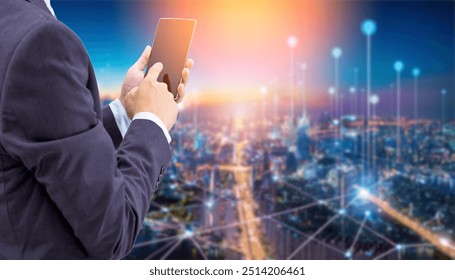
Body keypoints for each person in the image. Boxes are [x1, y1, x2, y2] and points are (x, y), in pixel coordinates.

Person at [0, 0, 193, 259]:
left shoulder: (8, 23)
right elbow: (113, 231)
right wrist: (152, 122)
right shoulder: (39, 40)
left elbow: (39, 135)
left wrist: (126, 111)